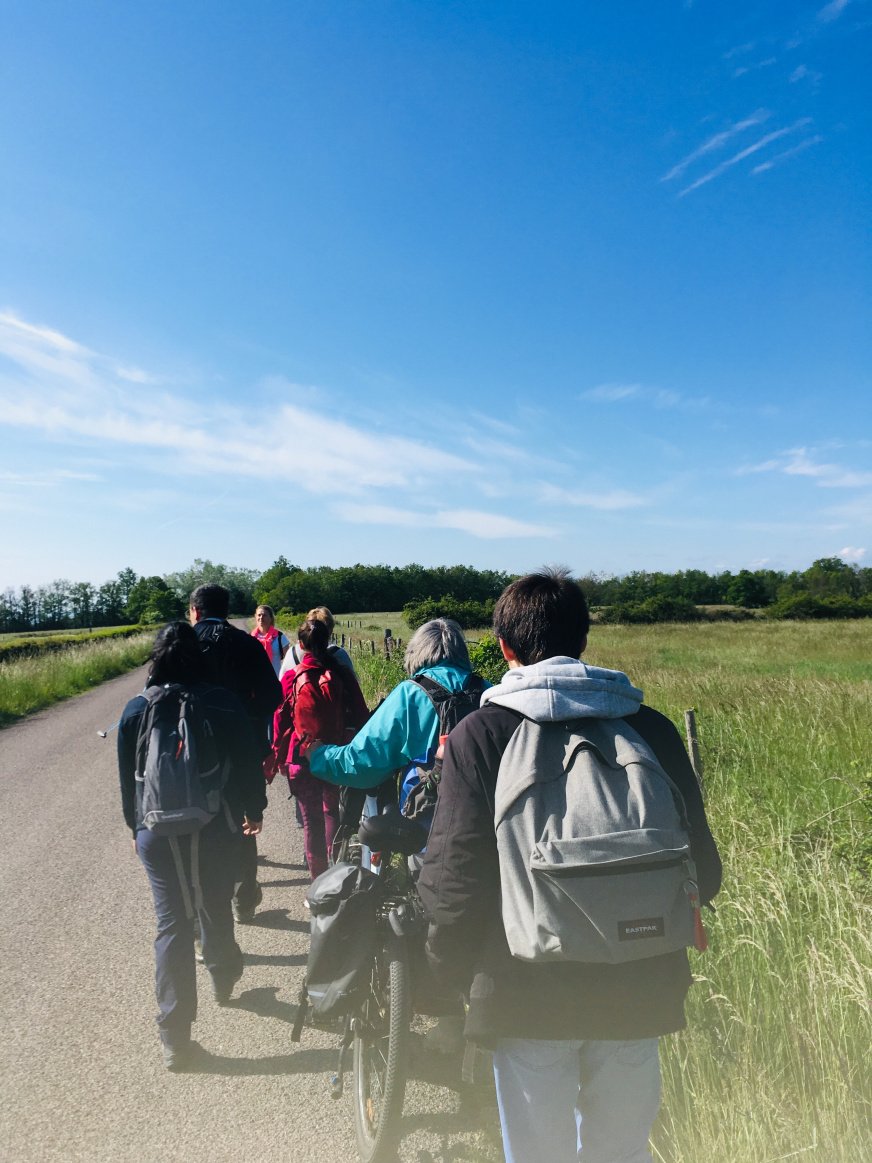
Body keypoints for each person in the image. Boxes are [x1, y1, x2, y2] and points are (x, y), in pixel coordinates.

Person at [416, 569, 723, 1163]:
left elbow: (456, 878)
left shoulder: (481, 735)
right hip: (640, 987)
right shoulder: (651, 728)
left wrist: (445, 979)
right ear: (583, 640)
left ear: (504, 649)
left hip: (525, 991)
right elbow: (703, 874)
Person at [117, 622, 267, 1070]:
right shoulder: (220, 701)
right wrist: (253, 810)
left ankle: (175, 1039)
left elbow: (129, 785)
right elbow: (247, 764)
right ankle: (223, 977)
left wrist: (134, 828)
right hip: (214, 825)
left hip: (155, 832)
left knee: (171, 924)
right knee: (214, 903)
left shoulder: (135, 709)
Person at [188, 583, 281, 923]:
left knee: (197, 829)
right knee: (244, 824)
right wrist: (245, 714)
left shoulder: (182, 646)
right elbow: (273, 696)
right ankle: (244, 899)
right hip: (242, 748)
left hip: (193, 756)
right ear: (226, 611)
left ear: (194, 611)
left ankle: (204, 916)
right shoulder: (246, 643)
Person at [306, 617, 480, 790]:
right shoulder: (487, 690)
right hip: (488, 809)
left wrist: (320, 756)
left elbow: (364, 762)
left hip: (429, 810)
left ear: (416, 652)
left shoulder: (410, 694)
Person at [274, 617, 370, 880]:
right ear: (329, 641)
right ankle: (336, 877)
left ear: (300, 645)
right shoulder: (341, 674)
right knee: (332, 814)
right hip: (335, 756)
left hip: (301, 756)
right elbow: (361, 715)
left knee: (311, 822)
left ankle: (318, 882)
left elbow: (279, 719)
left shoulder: (292, 677)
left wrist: (278, 756)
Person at [280, 605, 354, 678]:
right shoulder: (339, 654)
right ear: (330, 631)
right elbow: (353, 686)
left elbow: (281, 682)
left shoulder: (292, 653)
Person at [251, 604, 290, 676]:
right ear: (255, 617)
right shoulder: (251, 637)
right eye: (259, 615)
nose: (261, 617)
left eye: (264, 615)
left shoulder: (280, 637)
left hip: (275, 679)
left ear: (271, 618)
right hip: (256, 680)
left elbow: (289, 661)